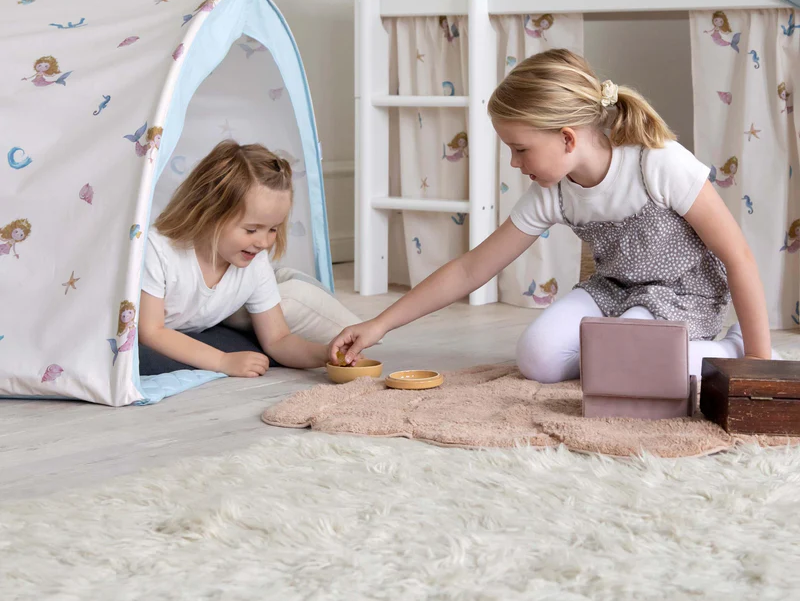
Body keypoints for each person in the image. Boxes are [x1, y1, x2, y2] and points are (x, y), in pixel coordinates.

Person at [330, 48, 777, 381]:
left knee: (624, 356)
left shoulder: (657, 163)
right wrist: (379, 324)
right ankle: (623, 354)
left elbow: (737, 256)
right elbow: (470, 269)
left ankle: (728, 347)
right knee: (538, 359)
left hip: (682, 297)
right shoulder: (554, 192)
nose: (514, 163)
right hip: (613, 293)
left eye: (520, 149)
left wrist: (758, 360)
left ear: (567, 138)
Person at [138, 140, 328, 377]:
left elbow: (278, 339)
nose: (264, 242)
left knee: (253, 349)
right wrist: (221, 361)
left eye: (273, 229)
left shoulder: (255, 261)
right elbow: (150, 332)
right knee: (139, 359)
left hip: (187, 332)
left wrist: (326, 355)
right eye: (251, 230)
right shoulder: (158, 250)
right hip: (129, 333)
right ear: (209, 212)